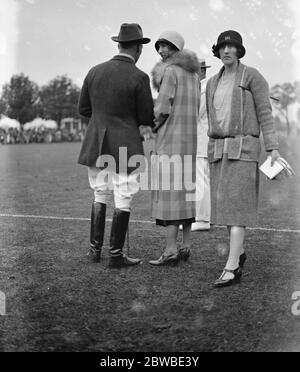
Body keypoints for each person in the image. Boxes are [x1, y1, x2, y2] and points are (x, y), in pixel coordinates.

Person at [206, 30, 281, 287]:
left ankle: (232, 266)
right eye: (222, 47)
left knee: (237, 209)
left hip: (244, 149)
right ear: (217, 51)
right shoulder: (212, 83)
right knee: (227, 210)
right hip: (218, 150)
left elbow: (265, 112)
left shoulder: (251, 76)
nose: (227, 50)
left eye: (232, 46)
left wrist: (272, 148)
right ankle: (238, 253)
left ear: (239, 50)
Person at [78, 23, 154, 268]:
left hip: (97, 142)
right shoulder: (139, 76)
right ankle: (116, 255)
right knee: (123, 195)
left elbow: (83, 109)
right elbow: (145, 117)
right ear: (138, 49)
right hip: (126, 144)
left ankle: (94, 251)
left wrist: (103, 120)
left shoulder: (94, 71)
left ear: (119, 44)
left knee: (99, 192)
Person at [149, 31, 201, 266]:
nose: (161, 51)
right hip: (189, 142)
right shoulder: (194, 75)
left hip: (170, 141)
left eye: (166, 47)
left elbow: (162, 108)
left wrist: (152, 126)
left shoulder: (170, 72)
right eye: (159, 47)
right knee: (186, 193)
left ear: (176, 49)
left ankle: (170, 250)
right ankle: (186, 246)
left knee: (170, 195)